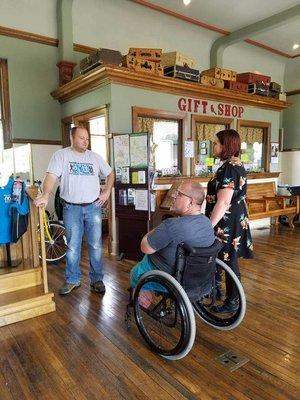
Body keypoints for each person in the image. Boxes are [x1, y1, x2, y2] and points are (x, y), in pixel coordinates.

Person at [34, 126, 114, 295]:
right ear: (72, 138)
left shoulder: (95, 157)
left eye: (87, 139)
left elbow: (110, 173)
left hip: (93, 207)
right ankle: (72, 280)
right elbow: (51, 177)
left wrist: (107, 191)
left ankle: (97, 279)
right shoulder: (61, 156)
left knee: (95, 245)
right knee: (72, 246)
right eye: (81, 138)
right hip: (71, 208)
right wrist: (46, 194)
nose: (85, 141)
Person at [130, 180, 215, 301]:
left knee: (135, 272)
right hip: (199, 278)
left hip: (173, 278)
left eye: (179, 194)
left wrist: (151, 233)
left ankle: (143, 296)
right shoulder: (207, 223)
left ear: (190, 202)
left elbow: (145, 248)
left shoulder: (172, 225)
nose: (173, 196)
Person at [205, 129, 253, 312]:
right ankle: (221, 295)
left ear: (226, 146)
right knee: (226, 258)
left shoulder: (230, 168)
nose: (214, 146)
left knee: (228, 260)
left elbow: (224, 202)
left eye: (216, 143)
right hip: (231, 218)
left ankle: (233, 301)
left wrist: (208, 226)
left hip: (227, 220)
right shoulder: (231, 165)